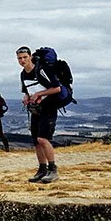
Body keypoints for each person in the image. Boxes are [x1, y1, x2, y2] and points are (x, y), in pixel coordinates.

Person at [18, 46, 69, 183]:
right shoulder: (23, 74)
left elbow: (57, 88)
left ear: (30, 57)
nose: (22, 60)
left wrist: (39, 94)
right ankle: (42, 169)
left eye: (25, 57)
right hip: (37, 109)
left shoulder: (41, 71)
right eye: (20, 58)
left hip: (49, 107)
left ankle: (53, 169)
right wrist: (26, 97)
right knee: (36, 141)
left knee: (43, 139)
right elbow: (27, 90)